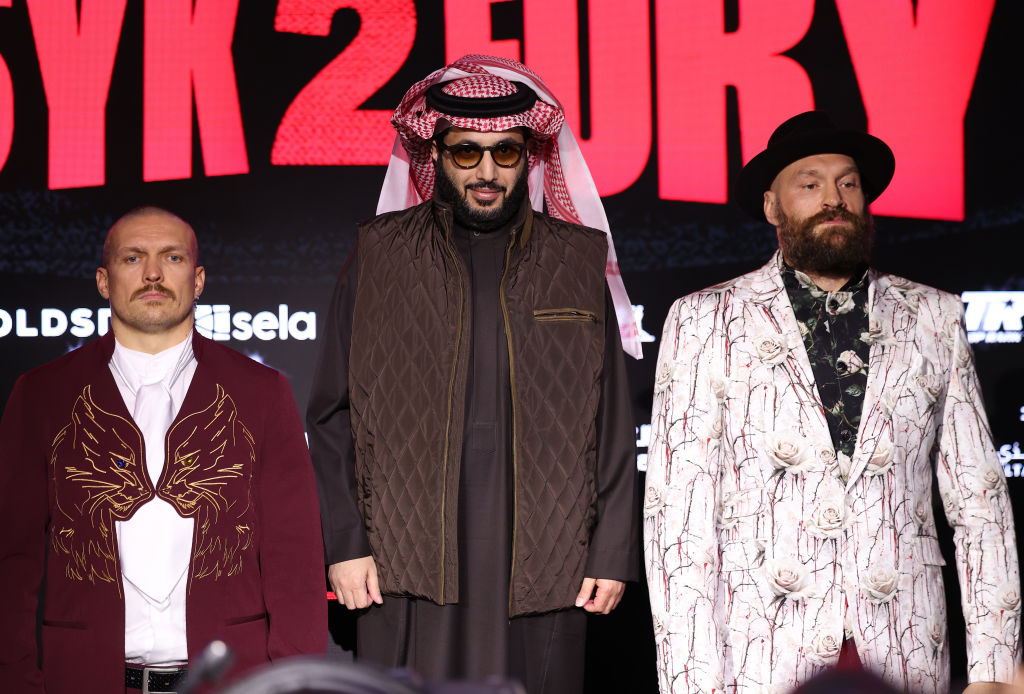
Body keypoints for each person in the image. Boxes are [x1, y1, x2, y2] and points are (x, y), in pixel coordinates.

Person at [644, 111, 1021, 694]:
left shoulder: (934, 317)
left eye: (848, 183)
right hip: (759, 653)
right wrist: (689, 682)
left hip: (904, 646)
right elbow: (678, 518)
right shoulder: (704, 320)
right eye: (810, 183)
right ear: (772, 206)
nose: (834, 199)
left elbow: (980, 504)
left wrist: (995, 674)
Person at [307, 55, 640, 694]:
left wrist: (611, 551)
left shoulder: (575, 262)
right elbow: (330, 414)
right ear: (436, 154)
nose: (487, 172)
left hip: (549, 560)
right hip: (401, 562)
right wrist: (345, 543)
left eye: (505, 153)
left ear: (528, 157)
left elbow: (612, 424)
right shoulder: (380, 256)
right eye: (466, 152)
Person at [0, 207, 327, 694]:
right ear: (103, 281)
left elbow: (294, 557)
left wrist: (297, 686)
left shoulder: (262, 391)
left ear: (198, 280)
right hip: (82, 680)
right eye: (133, 258)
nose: (152, 273)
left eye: (172, 257)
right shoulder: (42, 394)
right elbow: (11, 557)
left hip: (233, 681)